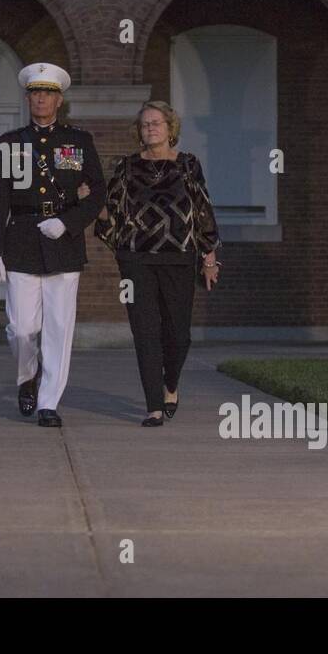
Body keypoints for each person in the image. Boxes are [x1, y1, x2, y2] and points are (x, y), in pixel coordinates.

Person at [0, 63, 105, 428]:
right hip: (20, 238)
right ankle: (27, 377)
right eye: (35, 92)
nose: (41, 98)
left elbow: (98, 191)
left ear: (59, 99)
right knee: (21, 328)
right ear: (27, 98)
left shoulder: (78, 141)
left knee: (58, 328)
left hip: (62, 241)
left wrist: (68, 222)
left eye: (48, 92)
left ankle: (49, 402)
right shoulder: (10, 142)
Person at [95, 101, 221, 427]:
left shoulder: (188, 165)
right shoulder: (126, 167)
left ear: (170, 128)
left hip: (179, 258)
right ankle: (153, 406)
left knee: (179, 335)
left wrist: (209, 257)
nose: (150, 128)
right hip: (136, 259)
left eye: (156, 123)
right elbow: (112, 211)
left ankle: (170, 384)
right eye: (145, 124)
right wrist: (91, 202)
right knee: (145, 331)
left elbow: (203, 211)